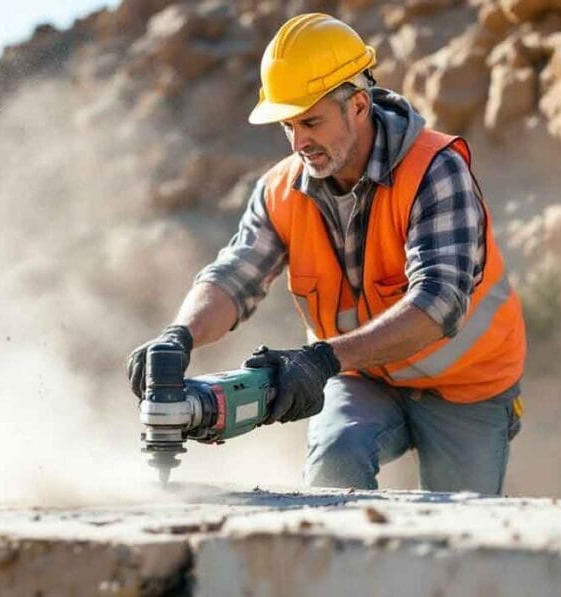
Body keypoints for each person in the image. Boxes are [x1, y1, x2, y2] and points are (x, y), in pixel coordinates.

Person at [126, 13, 526, 495]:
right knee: (337, 453)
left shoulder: (435, 171)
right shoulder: (281, 189)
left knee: (462, 534)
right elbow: (236, 276)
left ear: (358, 105)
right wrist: (179, 336)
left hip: (469, 386)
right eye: (288, 125)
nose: (299, 143)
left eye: (311, 121)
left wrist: (320, 360)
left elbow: (438, 304)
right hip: (360, 374)